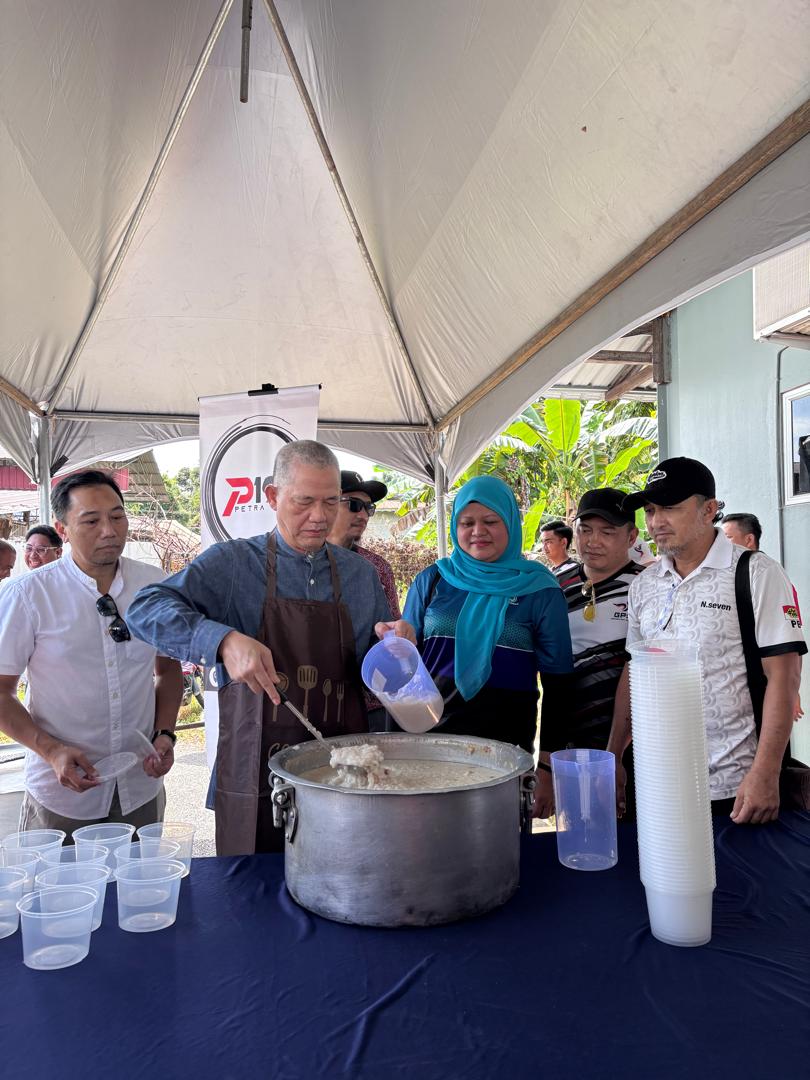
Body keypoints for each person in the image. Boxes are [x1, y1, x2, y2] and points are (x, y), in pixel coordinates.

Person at [127, 440, 408, 855]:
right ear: (273, 497)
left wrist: (395, 649)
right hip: (253, 769)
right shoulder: (233, 564)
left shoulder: (360, 575)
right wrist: (221, 640)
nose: (319, 516)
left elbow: (379, 674)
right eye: (304, 501)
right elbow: (144, 609)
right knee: (250, 883)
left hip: (340, 766)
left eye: (331, 501)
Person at [607, 457, 806, 825]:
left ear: (709, 510)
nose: (656, 521)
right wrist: (614, 755)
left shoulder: (755, 572)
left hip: (735, 788)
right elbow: (634, 672)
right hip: (655, 783)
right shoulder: (644, 585)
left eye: (670, 508)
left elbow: (785, 676)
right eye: (650, 510)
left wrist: (765, 773)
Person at [0, 471, 181, 834]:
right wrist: (51, 751)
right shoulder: (28, 595)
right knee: (58, 873)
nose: (109, 531)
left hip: (139, 784)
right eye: (91, 520)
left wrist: (165, 733)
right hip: (62, 794)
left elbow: (168, 670)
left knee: (141, 872)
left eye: (117, 516)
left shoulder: (154, 585)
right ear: (62, 529)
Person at [402, 476, 573, 767]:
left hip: (507, 748)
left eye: (491, 521)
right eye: (466, 523)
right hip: (431, 744)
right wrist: (392, 642)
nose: (478, 531)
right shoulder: (432, 580)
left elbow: (558, 683)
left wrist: (546, 765)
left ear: (510, 523)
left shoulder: (540, 590)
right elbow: (406, 657)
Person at [535, 488, 645, 816]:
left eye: (607, 532)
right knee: (579, 831)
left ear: (631, 536)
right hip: (570, 744)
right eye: (585, 530)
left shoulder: (647, 587)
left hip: (635, 747)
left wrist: (616, 753)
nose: (593, 541)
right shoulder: (553, 586)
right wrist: (547, 760)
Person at [327, 470, 401, 731]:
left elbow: (391, 632)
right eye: (354, 505)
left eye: (368, 508)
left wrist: (397, 637)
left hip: (370, 706)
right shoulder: (298, 563)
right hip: (314, 702)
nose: (363, 515)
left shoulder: (377, 567)